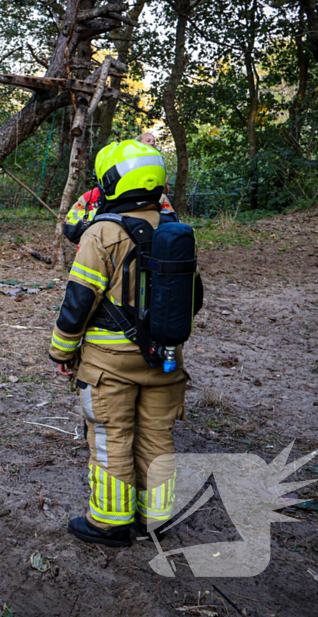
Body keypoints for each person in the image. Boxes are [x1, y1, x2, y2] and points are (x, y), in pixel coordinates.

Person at [48, 139, 196, 548]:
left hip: (109, 364)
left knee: (112, 436)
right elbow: (192, 299)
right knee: (157, 436)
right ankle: (157, 520)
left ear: (111, 181)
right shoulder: (174, 230)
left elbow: (78, 301)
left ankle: (110, 524)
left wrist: (61, 351)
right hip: (166, 358)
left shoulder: (103, 233)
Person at [63, 132, 173, 244]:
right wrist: (106, 210)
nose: (152, 143)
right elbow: (71, 229)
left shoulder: (160, 198)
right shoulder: (90, 197)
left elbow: (170, 224)